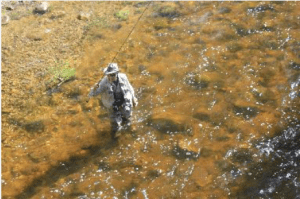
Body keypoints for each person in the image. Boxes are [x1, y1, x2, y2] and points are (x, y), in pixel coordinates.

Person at [88, 63, 138, 138]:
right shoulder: (103, 82)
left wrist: (134, 98)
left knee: (128, 116)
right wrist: (94, 88)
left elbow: (130, 87)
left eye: (112, 75)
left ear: (117, 73)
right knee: (115, 125)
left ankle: (129, 129)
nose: (110, 77)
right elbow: (92, 94)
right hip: (112, 104)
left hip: (124, 100)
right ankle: (115, 139)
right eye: (108, 74)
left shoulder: (123, 77)